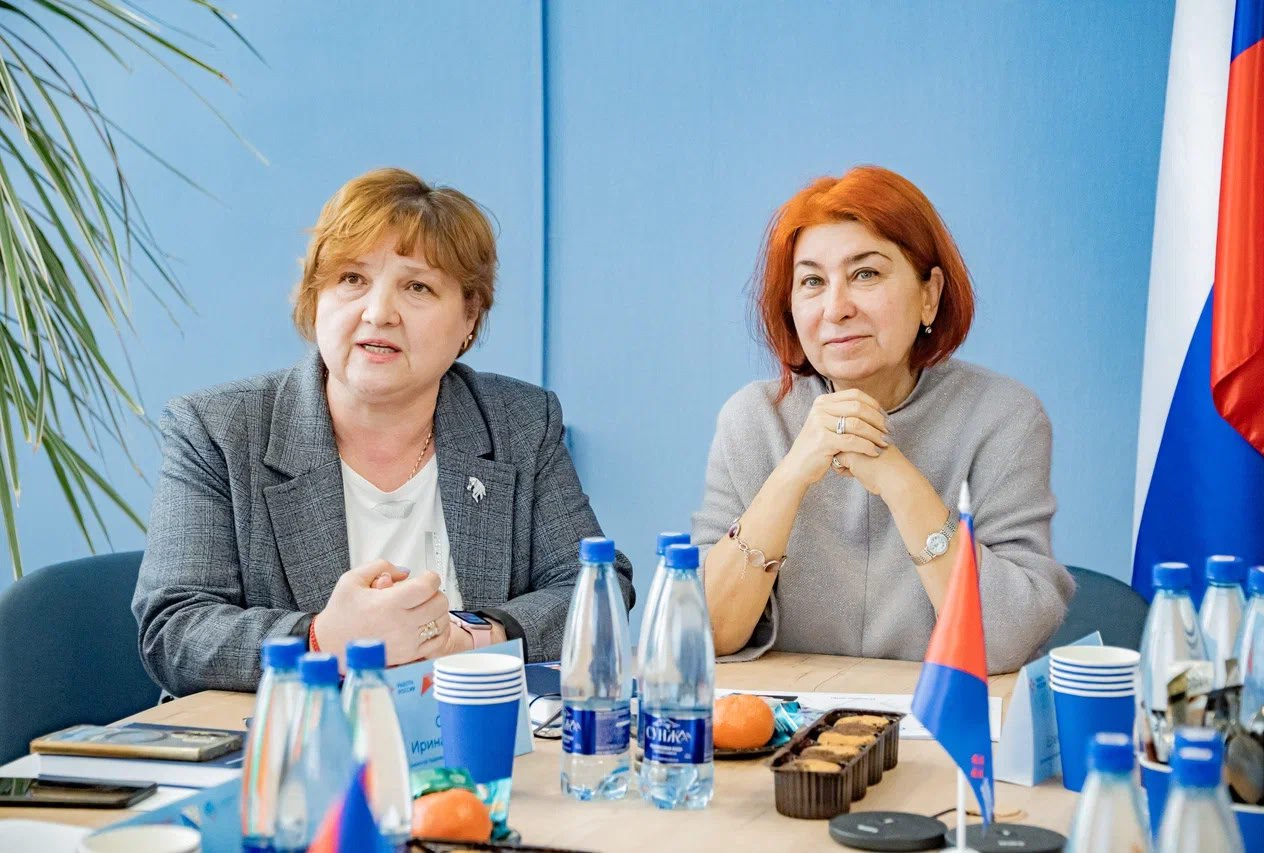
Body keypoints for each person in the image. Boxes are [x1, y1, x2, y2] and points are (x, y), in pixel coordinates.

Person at [133, 168, 632, 696]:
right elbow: (175, 629)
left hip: (467, 731)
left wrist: (469, 637)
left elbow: (596, 585)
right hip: (286, 735)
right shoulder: (219, 430)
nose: (378, 313)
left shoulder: (519, 421)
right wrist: (324, 639)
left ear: (469, 317)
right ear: (315, 297)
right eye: (352, 279)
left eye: (417, 287)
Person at [693, 165, 1072, 673]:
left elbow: (1003, 641)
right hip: (791, 720)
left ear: (929, 295)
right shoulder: (753, 420)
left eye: (865, 274)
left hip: (943, 717)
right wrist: (790, 475)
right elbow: (700, 634)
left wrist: (897, 478)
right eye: (812, 281)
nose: (836, 308)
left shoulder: (1004, 418)